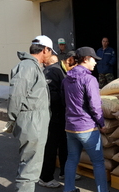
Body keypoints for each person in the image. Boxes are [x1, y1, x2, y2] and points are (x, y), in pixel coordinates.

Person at [7, 35, 55, 192]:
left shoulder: (34, 67)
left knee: (31, 164)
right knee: (29, 167)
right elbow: (16, 95)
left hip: (35, 120)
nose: (51, 55)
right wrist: (12, 120)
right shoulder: (28, 66)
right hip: (32, 121)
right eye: (50, 51)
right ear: (45, 50)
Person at [62, 47, 109, 192]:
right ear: (86, 59)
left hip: (70, 127)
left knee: (71, 159)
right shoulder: (89, 79)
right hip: (87, 128)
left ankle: (68, 189)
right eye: (94, 59)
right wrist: (101, 123)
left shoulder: (66, 79)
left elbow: (65, 102)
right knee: (98, 163)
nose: (95, 62)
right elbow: (95, 105)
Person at [39, 51, 81, 188]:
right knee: (51, 147)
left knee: (65, 145)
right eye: (75, 65)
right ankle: (45, 178)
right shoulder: (53, 71)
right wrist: (68, 100)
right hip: (53, 117)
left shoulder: (64, 71)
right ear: (69, 60)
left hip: (63, 116)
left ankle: (65, 171)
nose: (75, 69)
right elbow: (50, 96)